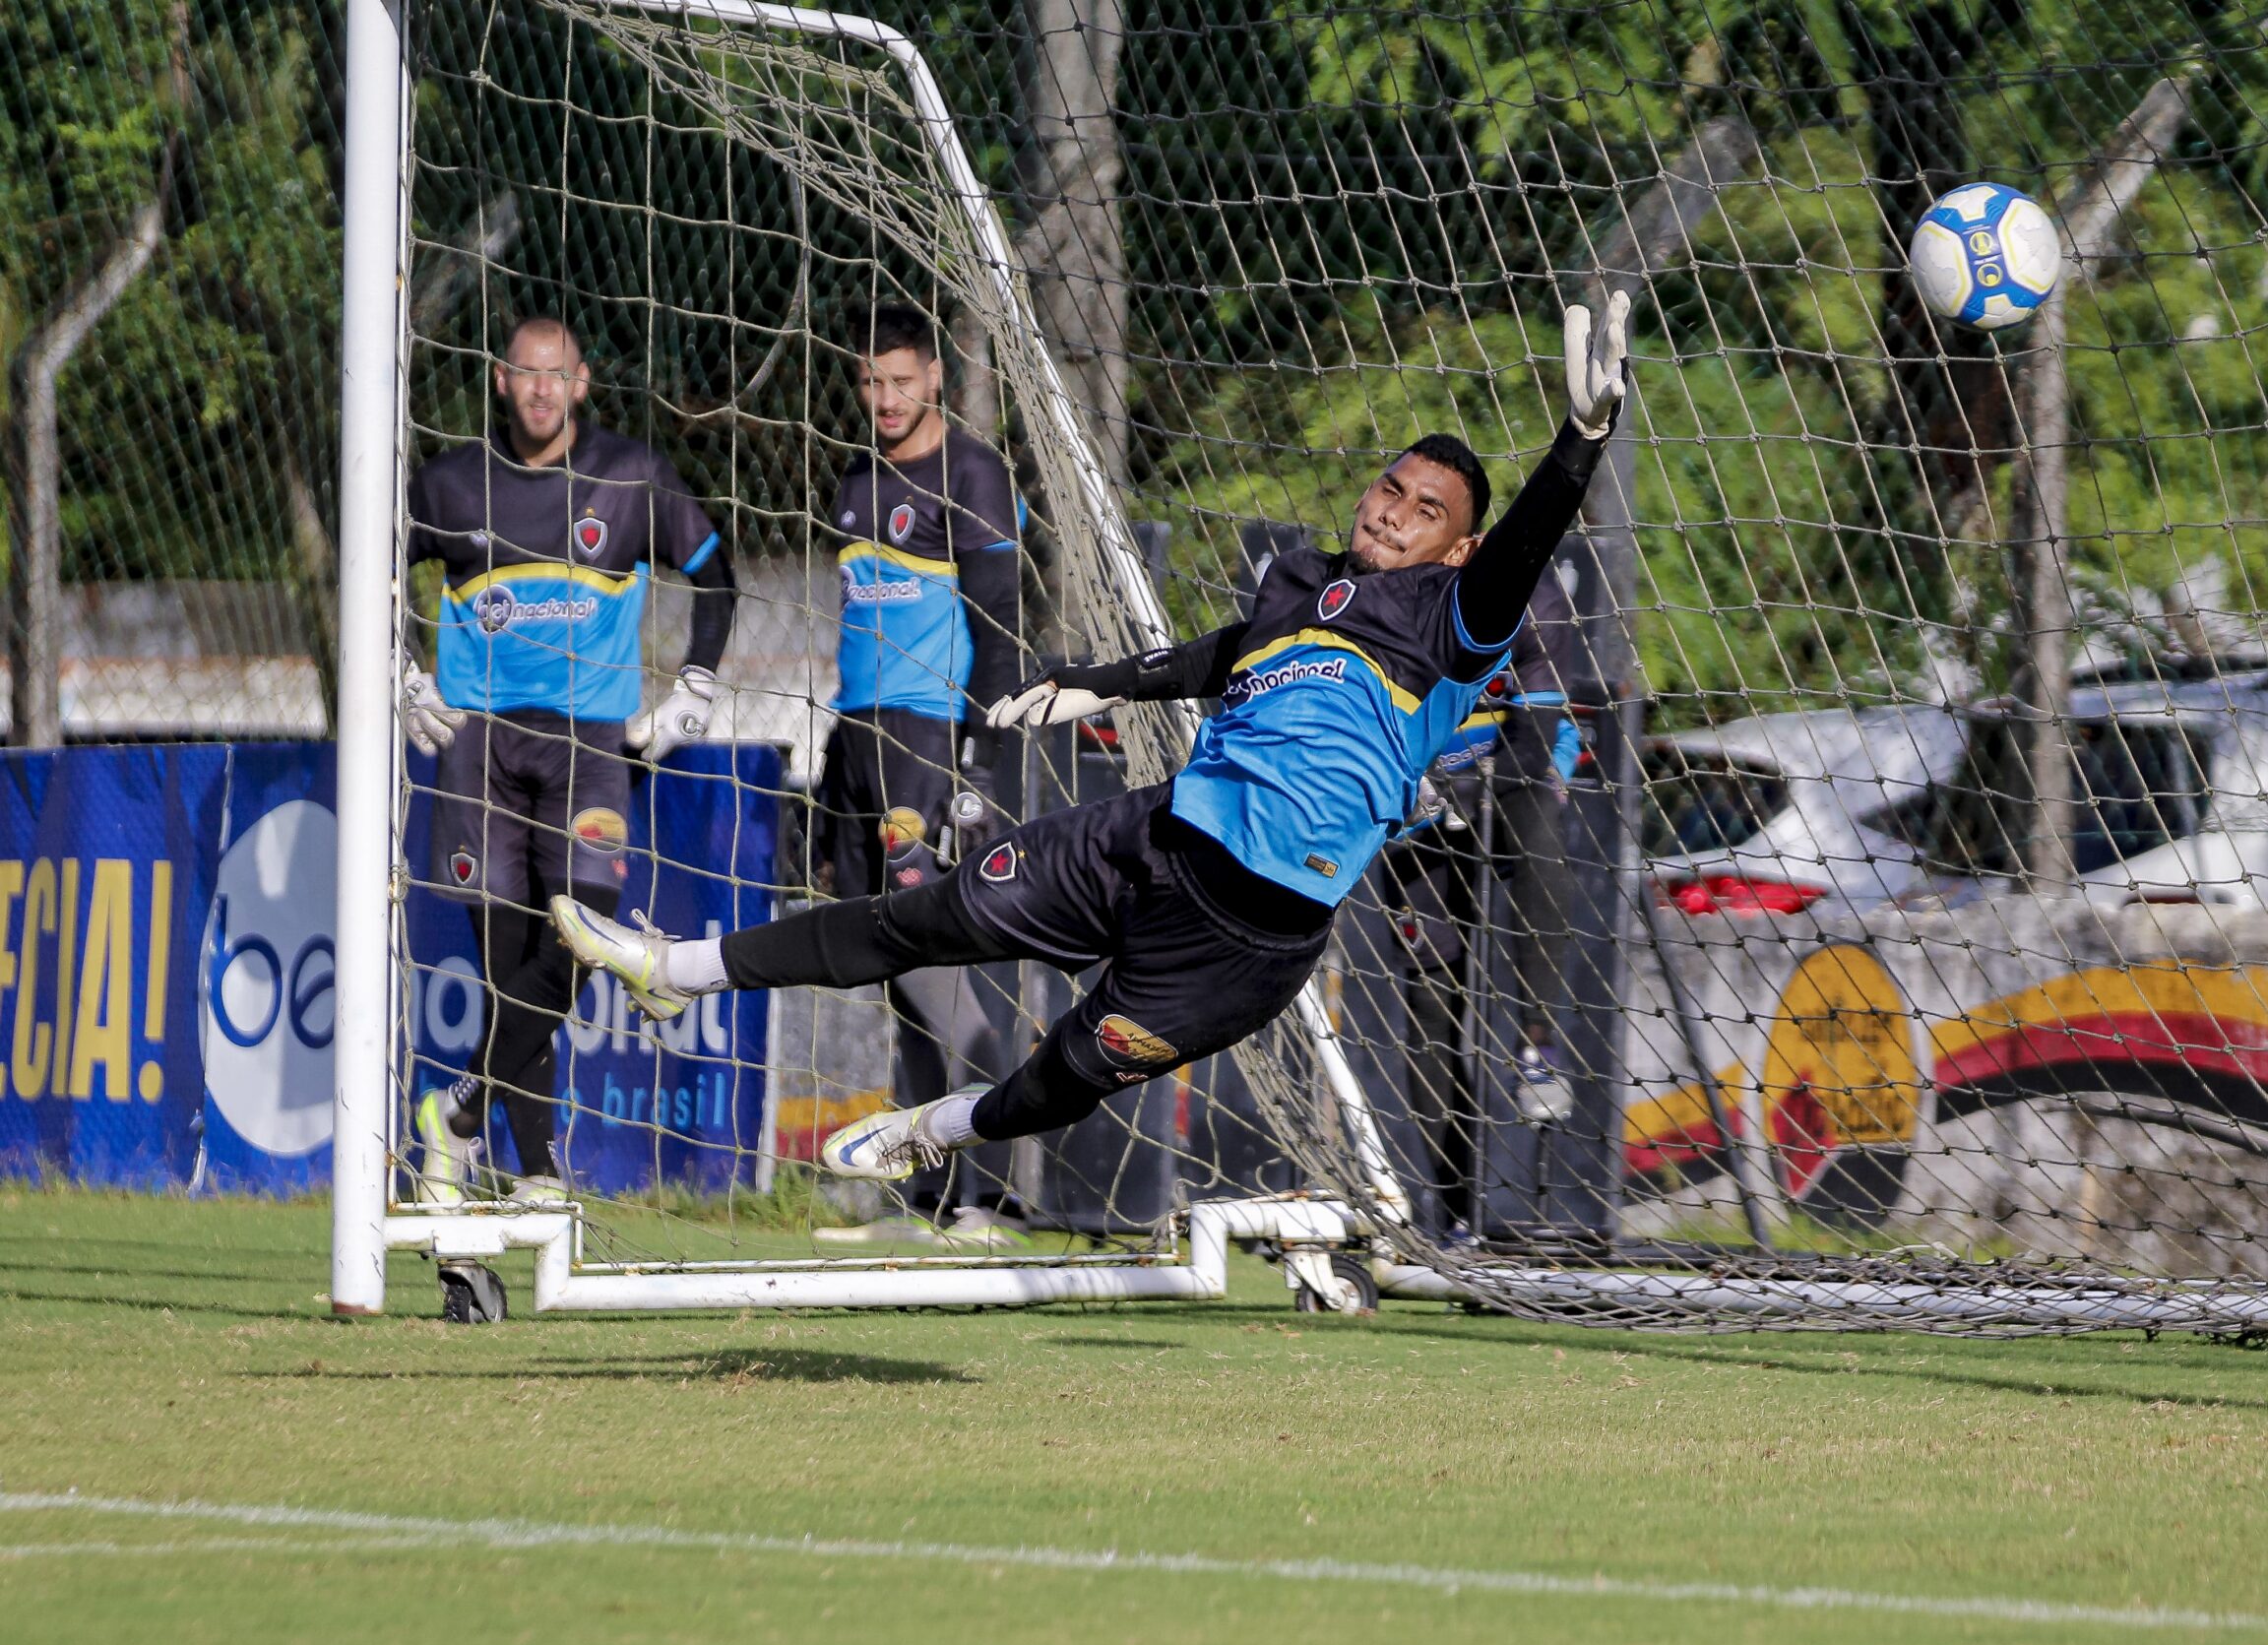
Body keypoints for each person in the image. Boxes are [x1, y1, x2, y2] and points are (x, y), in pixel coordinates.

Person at [548, 297, 1629, 1187]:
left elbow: (1519, 559)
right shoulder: (1303, 581)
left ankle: (939, 1130)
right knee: (920, 916)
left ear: (1458, 544)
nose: (1395, 510)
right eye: (1390, 485)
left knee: (1060, 1077)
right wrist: (1089, 685)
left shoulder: (1455, 625)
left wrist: (1576, 448)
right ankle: (673, 967)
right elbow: (1225, 652)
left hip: (1246, 943)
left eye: (1426, 507)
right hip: (1149, 841)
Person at [400, 317, 737, 1203]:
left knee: (579, 938)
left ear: (583, 383)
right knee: (509, 967)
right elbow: (377, 569)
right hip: (478, 746)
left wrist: (694, 684)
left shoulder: (633, 476)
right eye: (524, 373)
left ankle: (459, 1114)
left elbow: (716, 572)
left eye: (558, 374)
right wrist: (401, 671)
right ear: (501, 382)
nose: (541, 389)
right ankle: (537, 1170)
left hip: (590, 747)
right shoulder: (446, 485)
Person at [812, 301, 1024, 1235]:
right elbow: (855, 638)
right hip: (859, 739)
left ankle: (989, 1192)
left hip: (929, 740)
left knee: (939, 964)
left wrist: (980, 760)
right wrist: (827, 788)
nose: (886, 398)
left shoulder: (973, 474)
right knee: (897, 968)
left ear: (935, 377)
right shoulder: (853, 480)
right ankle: (927, 1190)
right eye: (870, 381)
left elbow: (1003, 628)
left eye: (902, 380)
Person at [1374, 557, 1585, 1244]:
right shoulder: (1388, 604)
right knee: (1432, 998)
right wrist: (1422, 792)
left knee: (1540, 845)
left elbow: (1536, 736)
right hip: (1416, 800)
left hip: (1516, 772)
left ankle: (1538, 1044)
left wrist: (1469, 795)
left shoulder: (1535, 594)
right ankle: (1452, 1208)